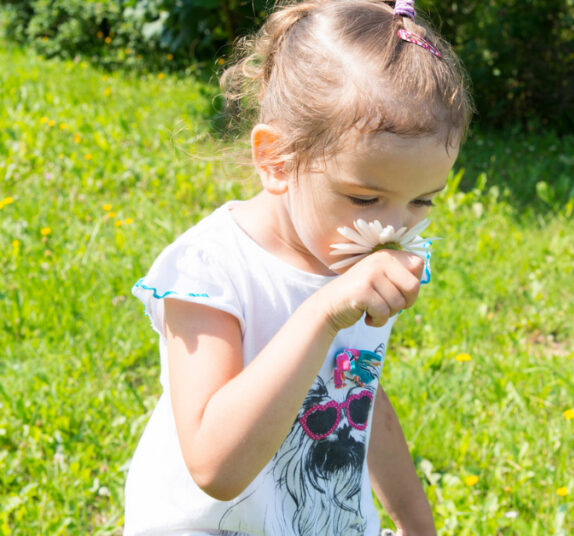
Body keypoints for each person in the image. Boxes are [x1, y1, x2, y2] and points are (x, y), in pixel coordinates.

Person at [122, 0, 472, 534]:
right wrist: (323, 312)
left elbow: (357, 399)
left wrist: (417, 525)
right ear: (277, 161)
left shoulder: (354, 259)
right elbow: (215, 467)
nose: (393, 230)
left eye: (423, 201)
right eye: (363, 199)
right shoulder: (210, 273)